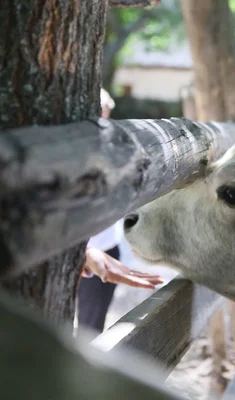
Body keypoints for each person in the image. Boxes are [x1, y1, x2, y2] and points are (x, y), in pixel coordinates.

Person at [77, 89, 163, 334]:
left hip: (105, 248)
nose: (103, 122)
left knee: (89, 329)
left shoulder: (115, 148)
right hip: (75, 252)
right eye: (100, 113)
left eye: (106, 114)